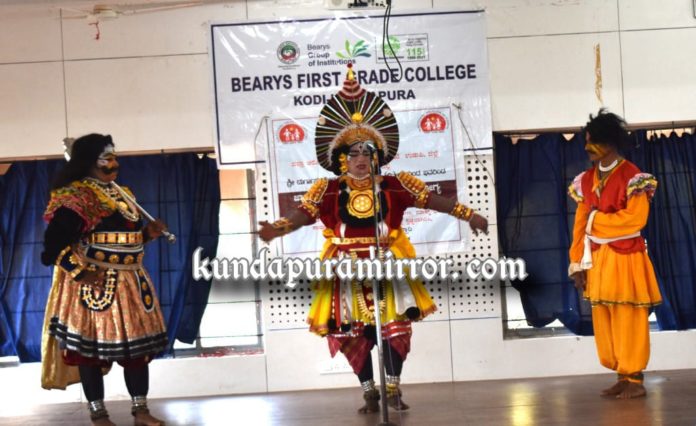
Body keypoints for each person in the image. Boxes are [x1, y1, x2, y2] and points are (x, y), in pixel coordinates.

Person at [259, 65, 488, 413]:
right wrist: (277, 228)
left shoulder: (394, 186)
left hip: (387, 266)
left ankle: (392, 389)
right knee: (352, 333)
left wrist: (469, 215)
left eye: (367, 153)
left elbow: (432, 200)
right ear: (341, 159)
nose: (361, 159)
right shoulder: (327, 190)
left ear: (377, 156)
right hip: (345, 269)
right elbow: (302, 214)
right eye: (353, 154)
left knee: (396, 330)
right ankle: (369, 392)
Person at [41, 133, 169, 425]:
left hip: (132, 283)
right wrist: (81, 273)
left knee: (138, 352)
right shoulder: (76, 196)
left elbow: (124, 240)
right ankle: (98, 414)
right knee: (89, 354)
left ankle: (141, 411)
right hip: (97, 284)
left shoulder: (124, 193)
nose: (115, 163)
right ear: (88, 161)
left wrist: (147, 235)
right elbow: (53, 247)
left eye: (115, 157)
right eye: (107, 158)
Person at [567, 109, 662, 399]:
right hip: (598, 260)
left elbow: (635, 220)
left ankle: (635, 379)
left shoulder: (633, 176)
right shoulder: (585, 180)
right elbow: (580, 225)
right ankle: (622, 374)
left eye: (592, 141)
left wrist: (597, 221)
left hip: (626, 258)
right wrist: (576, 263)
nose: (587, 147)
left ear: (609, 143)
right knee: (604, 316)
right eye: (586, 141)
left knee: (627, 315)